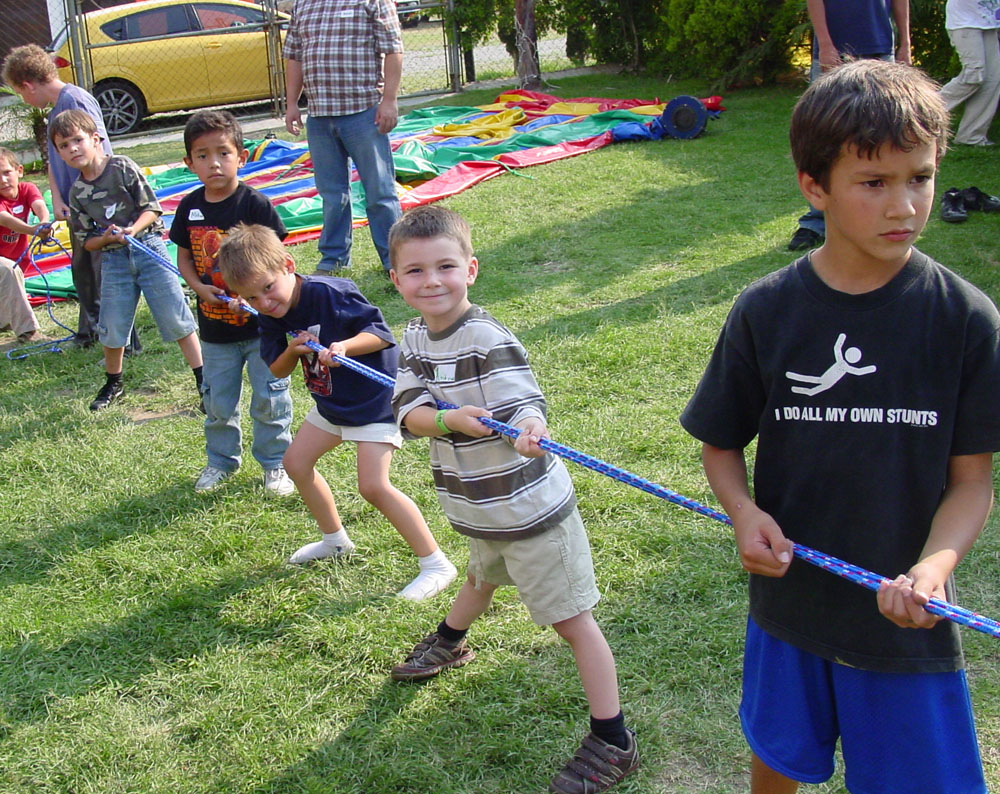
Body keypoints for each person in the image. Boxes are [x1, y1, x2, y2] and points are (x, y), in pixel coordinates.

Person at [681, 60, 1000, 794]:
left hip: (905, 621)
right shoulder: (766, 311)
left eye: (920, 178)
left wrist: (934, 568)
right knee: (779, 758)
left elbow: (972, 483)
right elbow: (721, 443)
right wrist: (744, 512)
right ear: (814, 188)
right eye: (873, 182)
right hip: (791, 605)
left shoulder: (964, 321)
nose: (905, 206)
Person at [387, 205, 638, 793]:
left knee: (573, 623)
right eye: (416, 271)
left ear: (470, 269)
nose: (432, 281)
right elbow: (407, 410)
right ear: (396, 280)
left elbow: (526, 401)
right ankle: (449, 643)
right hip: (479, 508)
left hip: (529, 514)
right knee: (480, 577)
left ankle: (614, 737)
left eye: (445, 266)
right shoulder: (415, 336)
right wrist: (449, 420)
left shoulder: (486, 337)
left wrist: (528, 427)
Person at [216, 222, 456, 601]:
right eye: (252, 297)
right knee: (295, 464)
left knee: (373, 486)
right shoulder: (267, 314)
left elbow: (380, 334)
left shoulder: (331, 293)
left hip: (376, 403)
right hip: (332, 405)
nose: (264, 302)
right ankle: (335, 541)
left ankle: (436, 563)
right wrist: (292, 351)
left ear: (288, 266)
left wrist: (343, 346)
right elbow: (275, 370)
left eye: (267, 288)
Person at [170, 111, 295, 495]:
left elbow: (280, 260)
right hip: (214, 331)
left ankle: (276, 464)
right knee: (218, 403)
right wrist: (198, 288)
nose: (214, 163)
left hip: (262, 330)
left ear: (241, 156)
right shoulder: (189, 207)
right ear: (189, 163)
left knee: (270, 400)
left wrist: (262, 297)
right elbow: (185, 258)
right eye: (202, 155)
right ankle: (221, 462)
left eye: (223, 153)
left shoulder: (255, 204)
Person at [51, 109, 203, 412]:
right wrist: (108, 237)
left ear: (96, 139)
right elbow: (87, 241)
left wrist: (132, 229)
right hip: (114, 259)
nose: (73, 149)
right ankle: (114, 381)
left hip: (147, 248)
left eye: (78, 140)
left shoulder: (121, 167)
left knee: (176, 316)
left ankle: (203, 380)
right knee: (112, 323)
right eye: (64, 146)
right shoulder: (78, 192)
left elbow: (153, 209)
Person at [2, 44, 140, 352]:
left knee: (105, 272)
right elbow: (54, 158)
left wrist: (99, 201)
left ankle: (122, 339)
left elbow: (98, 151)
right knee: (84, 271)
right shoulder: (57, 109)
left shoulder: (74, 100)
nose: (26, 100)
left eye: (22, 95)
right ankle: (90, 332)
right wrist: (58, 196)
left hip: (96, 204)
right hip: (77, 203)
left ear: (28, 85)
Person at [282, 0, 403, 273]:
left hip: (363, 113)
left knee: (379, 192)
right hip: (320, 118)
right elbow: (295, 56)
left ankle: (396, 261)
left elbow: (394, 49)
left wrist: (389, 101)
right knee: (332, 195)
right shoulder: (303, 5)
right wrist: (292, 103)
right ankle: (333, 259)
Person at [788, 0, 911, 251]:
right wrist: (825, 44)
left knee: (883, 140)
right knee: (822, 138)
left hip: (880, 50)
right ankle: (816, 222)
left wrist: (906, 44)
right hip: (835, 51)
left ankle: (876, 218)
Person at [0, 147, 48, 344]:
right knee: (7, 269)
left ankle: (6, 320)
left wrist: (45, 223)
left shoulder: (27, 189)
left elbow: (39, 205)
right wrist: (32, 230)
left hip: (12, 270)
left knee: (11, 273)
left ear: (19, 170)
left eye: (6, 172)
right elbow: (5, 219)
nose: (3, 180)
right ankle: (29, 332)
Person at [938, 0, 1000, 147]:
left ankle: (971, 136)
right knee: (974, 75)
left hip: (990, 22)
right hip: (964, 21)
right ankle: (923, 109)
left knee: (993, 80)